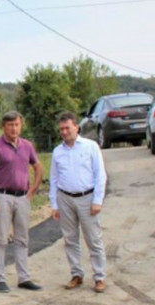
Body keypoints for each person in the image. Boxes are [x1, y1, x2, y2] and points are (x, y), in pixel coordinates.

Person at [0, 111, 44, 293]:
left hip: (22, 196)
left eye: (17, 124)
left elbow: (38, 166)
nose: (14, 128)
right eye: (10, 125)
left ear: (21, 125)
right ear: (4, 126)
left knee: (22, 239)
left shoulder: (27, 146)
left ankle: (24, 278)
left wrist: (33, 189)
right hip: (2, 196)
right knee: (1, 239)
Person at [49, 111, 108, 293]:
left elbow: (100, 175)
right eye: (61, 129)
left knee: (93, 239)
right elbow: (54, 178)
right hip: (65, 198)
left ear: (76, 127)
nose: (64, 132)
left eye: (67, 128)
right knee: (70, 239)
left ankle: (99, 277)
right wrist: (54, 205)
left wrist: (97, 200)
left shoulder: (90, 147)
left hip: (87, 198)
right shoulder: (58, 152)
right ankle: (76, 274)